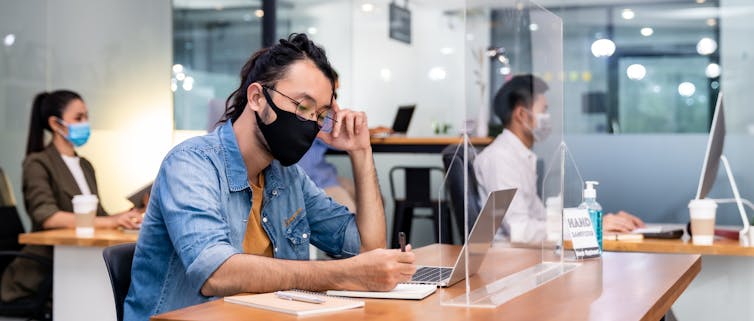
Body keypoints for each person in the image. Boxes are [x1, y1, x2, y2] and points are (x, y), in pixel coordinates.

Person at [124, 33, 415, 321]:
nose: (311, 123)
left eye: (321, 115)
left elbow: (367, 248)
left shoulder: (287, 177)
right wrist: (344, 274)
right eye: (303, 106)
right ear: (256, 98)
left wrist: (361, 151)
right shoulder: (191, 164)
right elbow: (215, 273)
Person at [1, 90, 142, 303]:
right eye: (78, 118)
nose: (85, 123)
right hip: (47, 268)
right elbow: (48, 217)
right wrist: (110, 220)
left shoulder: (85, 165)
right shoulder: (38, 163)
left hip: (85, 261)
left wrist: (130, 215)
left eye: (86, 117)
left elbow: (100, 217)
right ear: (56, 124)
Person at [474, 74, 645, 243]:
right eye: (543, 110)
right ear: (521, 115)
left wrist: (593, 221)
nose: (548, 118)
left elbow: (542, 219)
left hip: (530, 254)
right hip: (510, 260)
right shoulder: (500, 158)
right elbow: (521, 230)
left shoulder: (521, 156)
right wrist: (588, 225)